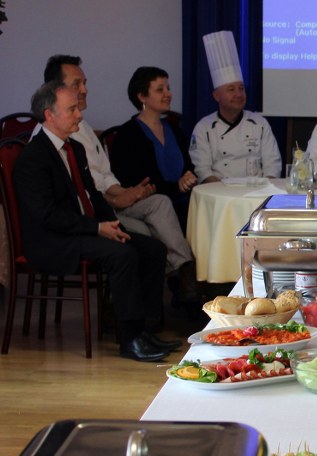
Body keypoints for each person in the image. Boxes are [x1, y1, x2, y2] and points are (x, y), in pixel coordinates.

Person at [13, 81, 173, 361]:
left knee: (152, 249)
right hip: (52, 240)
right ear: (50, 115)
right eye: (71, 109)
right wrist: (97, 228)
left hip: (79, 230)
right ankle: (130, 340)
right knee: (123, 255)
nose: (80, 114)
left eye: (77, 108)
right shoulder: (32, 158)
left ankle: (145, 329)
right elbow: (47, 215)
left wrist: (112, 224)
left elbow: (94, 196)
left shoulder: (74, 148)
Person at [41, 55, 200, 305]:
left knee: (159, 203)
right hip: (92, 213)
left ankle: (181, 275)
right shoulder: (51, 141)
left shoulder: (82, 127)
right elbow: (79, 190)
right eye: (77, 84)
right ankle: (176, 280)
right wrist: (117, 198)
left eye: (84, 83)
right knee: (147, 236)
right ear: (56, 91)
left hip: (111, 201)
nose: (85, 89)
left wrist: (124, 193)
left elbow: (105, 175)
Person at [110, 66, 197, 231]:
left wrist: (189, 178)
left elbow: (188, 166)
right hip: (154, 208)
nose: (168, 94)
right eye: (160, 90)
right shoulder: (127, 134)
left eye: (168, 88)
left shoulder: (175, 129)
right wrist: (177, 186)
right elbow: (136, 182)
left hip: (185, 202)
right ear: (142, 96)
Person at [190, 31, 282, 183]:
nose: (239, 94)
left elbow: (272, 166)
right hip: (218, 191)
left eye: (241, 88)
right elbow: (202, 170)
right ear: (216, 96)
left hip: (257, 191)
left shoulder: (259, 123)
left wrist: (264, 190)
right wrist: (225, 193)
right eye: (231, 89)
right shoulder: (203, 128)